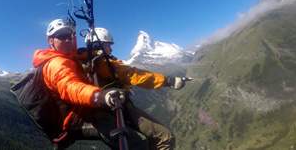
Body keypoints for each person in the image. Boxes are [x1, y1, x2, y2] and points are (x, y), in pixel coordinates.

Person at [32, 19, 150, 150]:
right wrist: (99, 96)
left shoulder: (64, 55)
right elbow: (70, 87)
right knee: (138, 142)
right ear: (50, 40)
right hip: (76, 119)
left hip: (81, 109)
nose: (67, 40)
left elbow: (71, 47)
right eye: (61, 36)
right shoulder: (57, 64)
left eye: (69, 36)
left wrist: (74, 31)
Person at [78, 27, 190, 150]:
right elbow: (133, 75)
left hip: (107, 112)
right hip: (119, 109)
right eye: (107, 45)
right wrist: (168, 81)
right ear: (96, 46)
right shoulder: (104, 63)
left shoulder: (89, 63)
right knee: (165, 138)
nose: (111, 49)